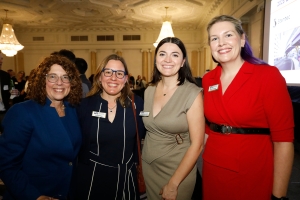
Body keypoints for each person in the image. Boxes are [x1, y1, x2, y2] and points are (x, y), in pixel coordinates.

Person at [202, 15, 294, 200]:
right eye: (214, 38)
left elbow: (283, 140)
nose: (221, 43)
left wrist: (279, 195)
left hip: (251, 172)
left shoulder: (268, 76)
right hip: (213, 169)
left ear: (242, 39)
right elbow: (207, 128)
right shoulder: (208, 80)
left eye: (228, 35)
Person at [0, 55, 83, 199]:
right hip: (33, 192)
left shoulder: (73, 110)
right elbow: (6, 164)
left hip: (68, 192)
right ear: (42, 80)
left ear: (71, 82)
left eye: (65, 77)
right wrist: (35, 196)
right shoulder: (23, 112)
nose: (59, 83)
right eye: (52, 77)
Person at [70, 54, 145, 200]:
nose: (113, 78)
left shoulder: (137, 104)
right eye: (108, 72)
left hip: (126, 179)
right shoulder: (84, 106)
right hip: (92, 178)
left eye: (119, 73)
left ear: (125, 79)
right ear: (99, 77)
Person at [142, 37, 205, 200]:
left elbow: (197, 145)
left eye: (175, 55)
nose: (168, 60)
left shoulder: (192, 93)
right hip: (149, 168)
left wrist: (174, 183)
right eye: (162, 54)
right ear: (156, 59)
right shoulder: (149, 91)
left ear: (183, 61)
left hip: (178, 171)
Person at [0, 52, 12, 129]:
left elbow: (9, 91)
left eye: (1, 59)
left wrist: (13, 94)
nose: (1, 61)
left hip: (3, 111)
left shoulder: (5, 75)